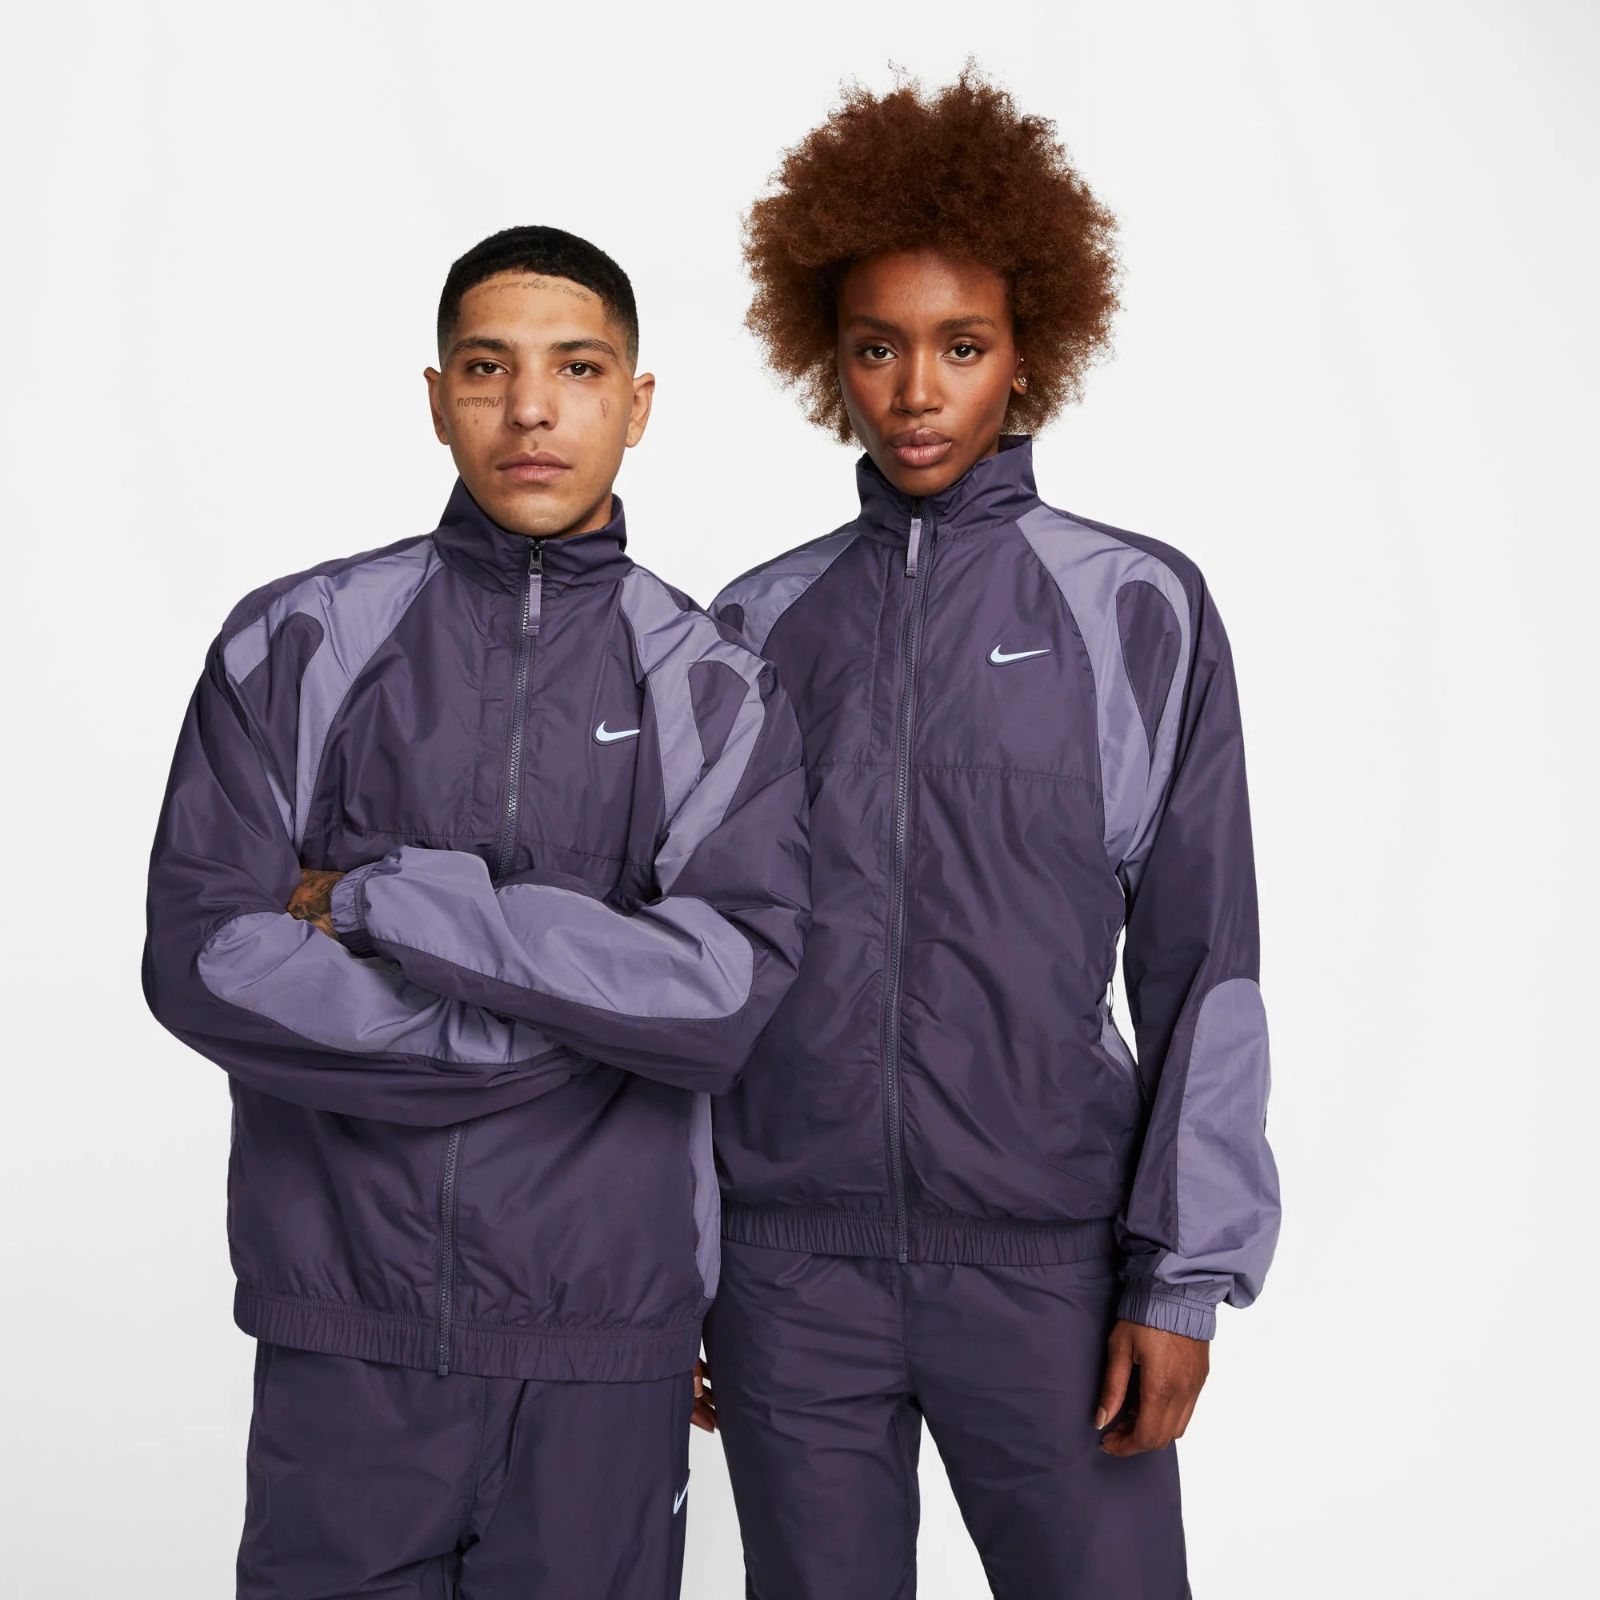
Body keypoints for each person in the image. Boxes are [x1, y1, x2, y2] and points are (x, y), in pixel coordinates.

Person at [141, 224, 811, 1599]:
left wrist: (387, 901)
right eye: (489, 368)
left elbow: (722, 995)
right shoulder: (300, 639)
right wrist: (571, 1022)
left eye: (579, 368)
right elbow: (204, 951)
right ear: (439, 397)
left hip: (603, 1344)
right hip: (347, 1329)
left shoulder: (715, 685)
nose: (531, 410)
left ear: (637, 402)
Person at [694, 70, 1281, 1598]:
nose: (915, 391)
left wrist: (1180, 1280)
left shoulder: (1134, 607)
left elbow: (1205, 963)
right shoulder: (752, 627)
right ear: (828, 358)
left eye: (961, 346)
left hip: (1049, 1268)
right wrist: (673, 1259)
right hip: (788, 1271)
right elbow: (696, 973)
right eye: (876, 347)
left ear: (1029, 354)